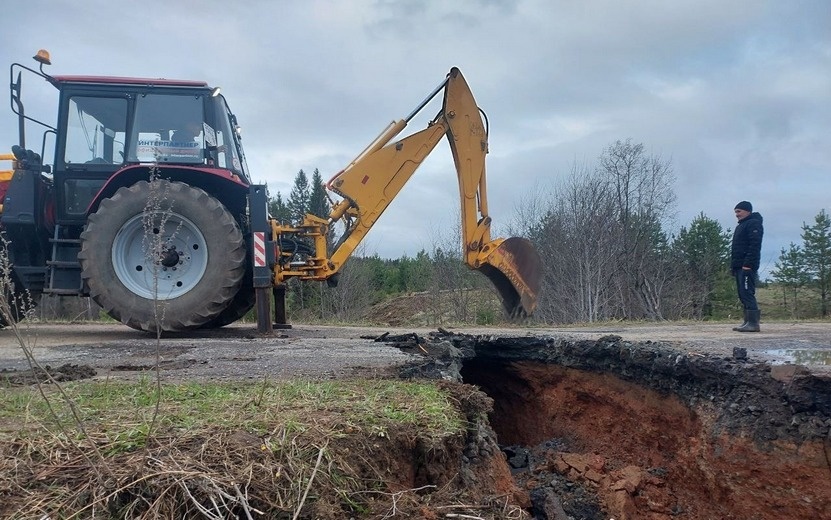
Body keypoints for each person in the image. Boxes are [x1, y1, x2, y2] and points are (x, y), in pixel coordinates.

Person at [730, 200, 764, 332]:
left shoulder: (753, 223)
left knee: (747, 292)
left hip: (747, 266)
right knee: (742, 294)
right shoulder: (741, 225)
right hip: (739, 266)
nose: (736, 214)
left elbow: (754, 245)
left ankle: (753, 323)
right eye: (735, 212)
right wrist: (734, 266)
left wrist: (748, 264)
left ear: (747, 211)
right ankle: (747, 321)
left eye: (739, 211)